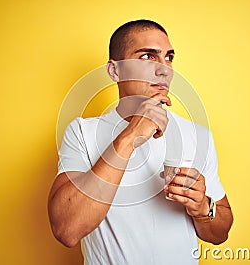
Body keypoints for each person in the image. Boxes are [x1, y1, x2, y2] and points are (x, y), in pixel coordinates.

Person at [48, 19, 233, 265]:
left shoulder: (197, 135)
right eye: (147, 57)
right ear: (115, 71)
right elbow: (67, 230)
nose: (164, 69)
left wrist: (202, 208)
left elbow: (220, 233)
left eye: (169, 57)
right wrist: (130, 136)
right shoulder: (83, 132)